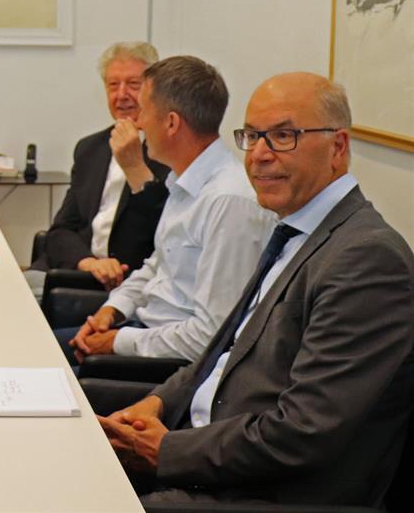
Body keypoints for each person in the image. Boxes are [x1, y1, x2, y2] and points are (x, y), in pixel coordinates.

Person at [99, 73, 414, 507]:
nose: (259, 155)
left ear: (338, 147)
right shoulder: (295, 229)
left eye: (284, 136)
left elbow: (304, 432)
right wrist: (154, 403)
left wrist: (166, 451)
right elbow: (223, 351)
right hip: (204, 446)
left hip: (263, 493)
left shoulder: (367, 258)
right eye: (252, 136)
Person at [65, 56, 273, 363]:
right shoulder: (182, 181)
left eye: (144, 111)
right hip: (144, 330)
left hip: (167, 364)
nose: (138, 123)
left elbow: (210, 337)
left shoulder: (229, 201)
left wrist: (117, 342)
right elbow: (157, 266)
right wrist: (112, 309)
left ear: (172, 123)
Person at [37, 42, 171, 290]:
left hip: (130, 283)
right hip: (78, 271)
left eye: (133, 84)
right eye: (113, 85)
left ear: (155, 91)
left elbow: (167, 234)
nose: (121, 95)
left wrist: (135, 167)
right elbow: (61, 230)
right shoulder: (90, 149)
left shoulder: (169, 151)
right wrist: (88, 263)